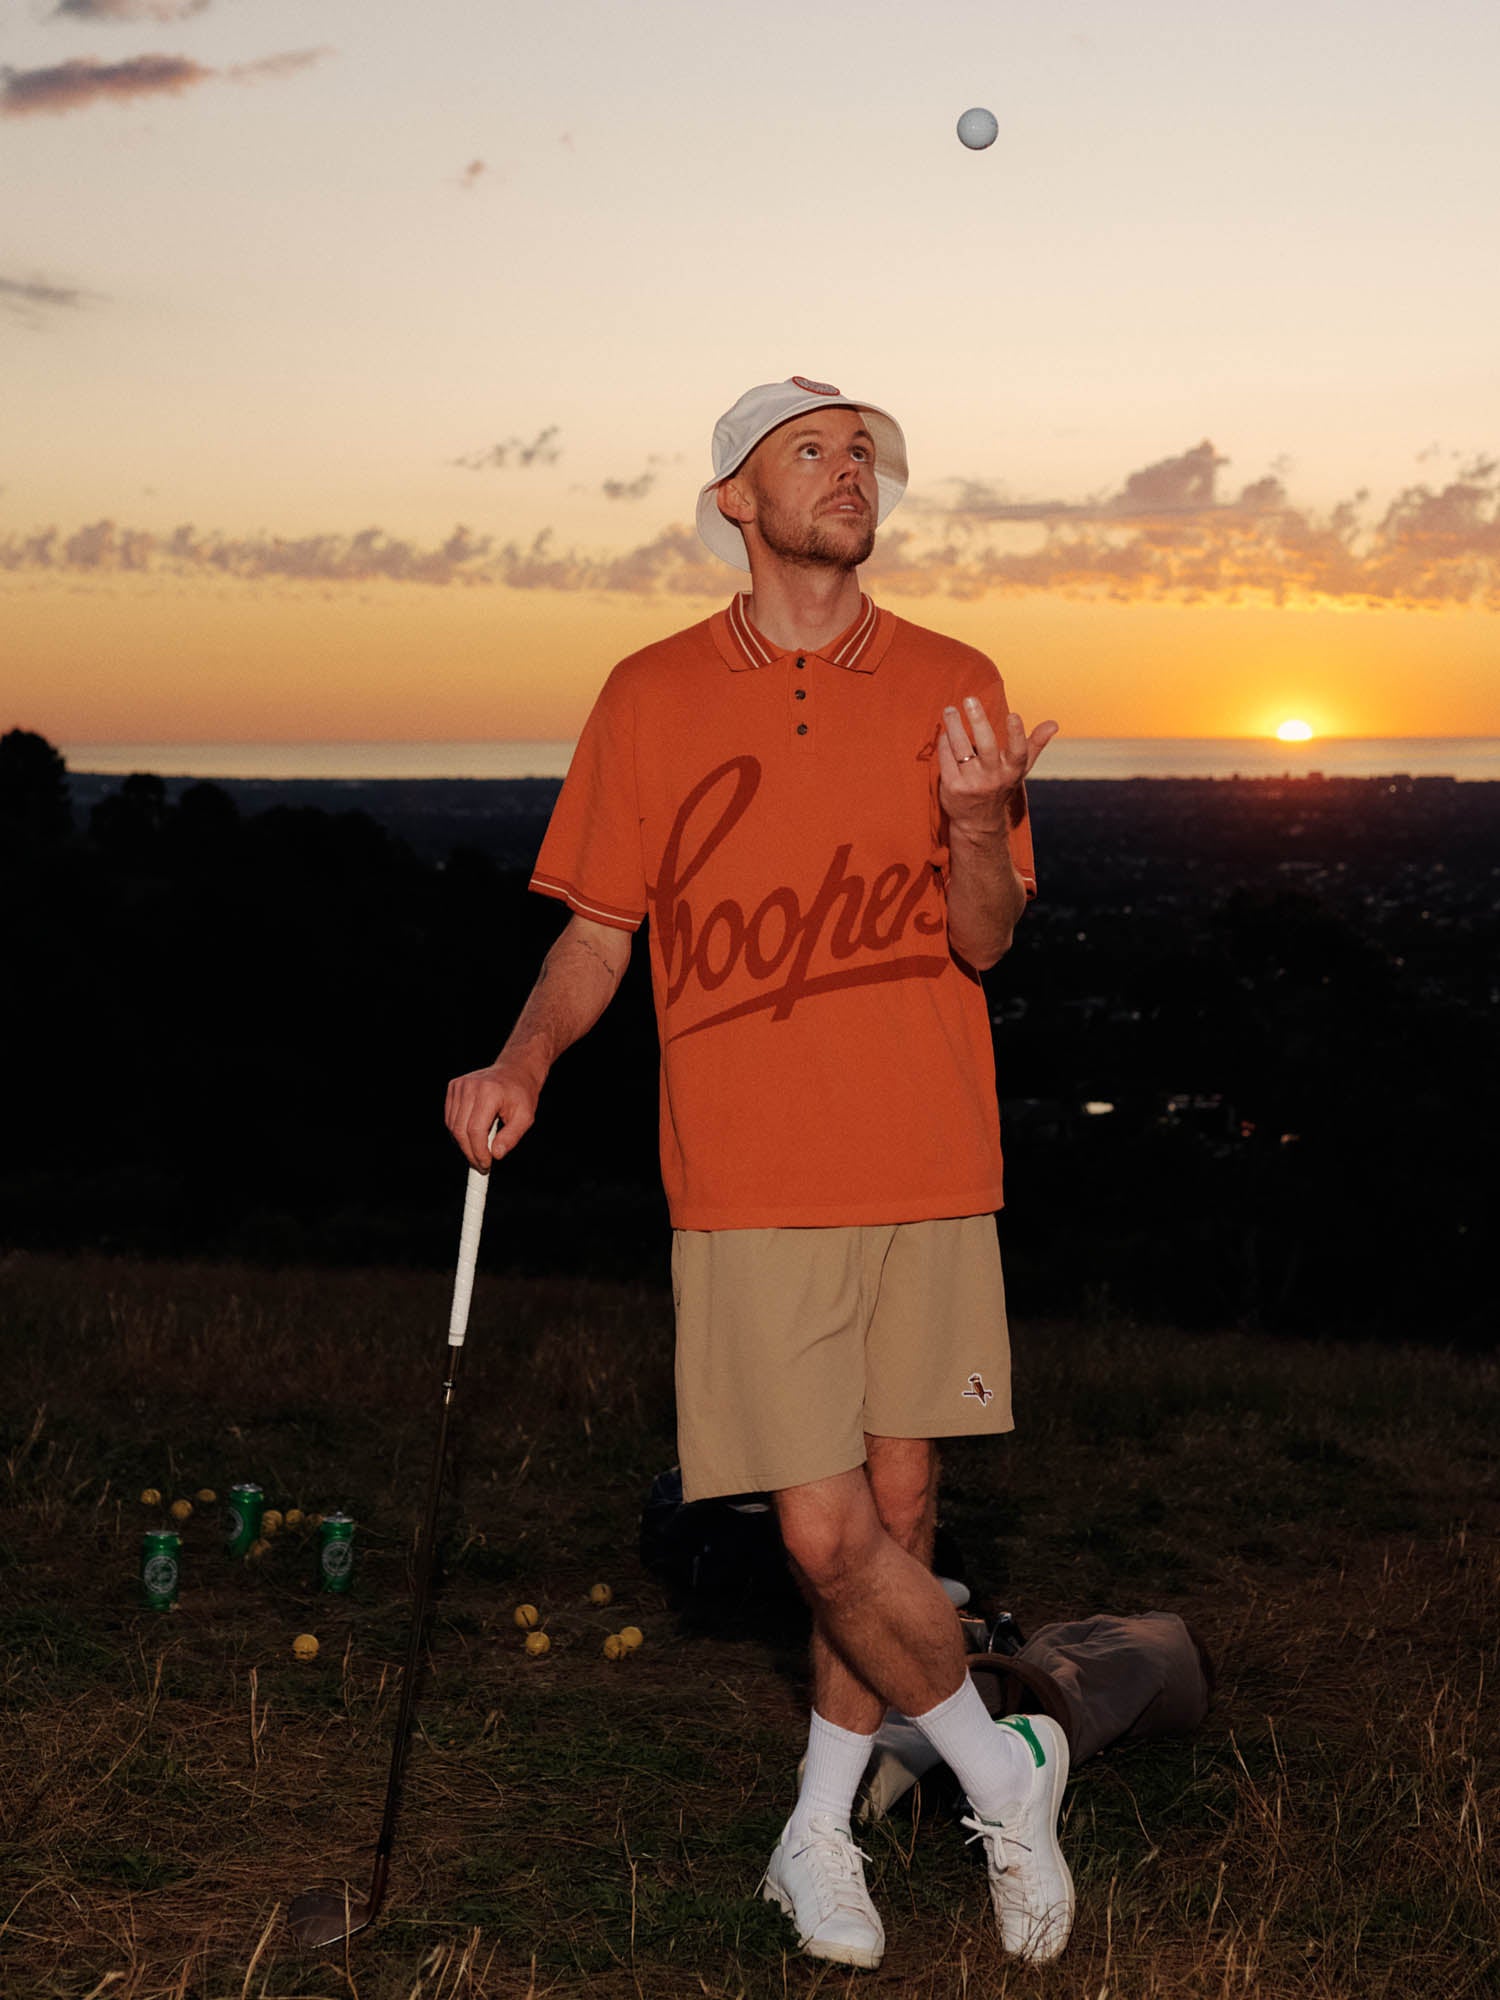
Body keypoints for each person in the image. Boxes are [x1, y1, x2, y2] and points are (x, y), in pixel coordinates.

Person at [445, 376, 1071, 1967]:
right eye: (811, 450)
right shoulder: (650, 695)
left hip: (930, 1159)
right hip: (752, 1176)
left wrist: (979, 821)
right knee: (821, 1537)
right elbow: (599, 933)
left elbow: (985, 939)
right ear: (736, 497)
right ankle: (1007, 1767)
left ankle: (817, 1830)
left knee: (903, 1514)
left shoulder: (955, 679)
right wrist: (522, 1061)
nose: (849, 471)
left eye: (865, 452)